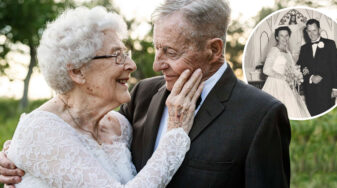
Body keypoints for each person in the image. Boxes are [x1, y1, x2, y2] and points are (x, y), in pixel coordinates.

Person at [1, 0, 292, 187]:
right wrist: (20, 154)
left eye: (171, 52)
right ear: (76, 71)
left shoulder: (260, 115)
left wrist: (26, 152)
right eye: (157, 48)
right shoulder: (143, 94)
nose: (154, 64)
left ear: (214, 50)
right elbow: (62, 143)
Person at [0, 6, 203, 187]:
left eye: (126, 53)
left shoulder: (120, 126)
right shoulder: (40, 130)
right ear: (78, 71)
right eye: (117, 55)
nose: (131, 65)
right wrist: (175, 134)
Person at [262, 26, 311, 119]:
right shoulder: (274, 51)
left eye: (286, 35)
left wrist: (296, 74)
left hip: (289, 85)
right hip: (276, 84)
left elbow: (291, 68)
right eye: (281, 36)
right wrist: (283, 77)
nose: (284, 38)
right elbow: (266, 69)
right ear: (277, 37)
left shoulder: (288, 52)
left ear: (289, 36)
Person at [297, 19, 337, 116]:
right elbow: (301, 67)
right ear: (306, 31)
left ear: (319, 30)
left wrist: (336, 88)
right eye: (309, 31)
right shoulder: (304, 48)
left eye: (314, 30)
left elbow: (336, 66)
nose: (311, 34)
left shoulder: (330, 44)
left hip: (327, 89)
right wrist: (311, 77)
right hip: (310, 90)